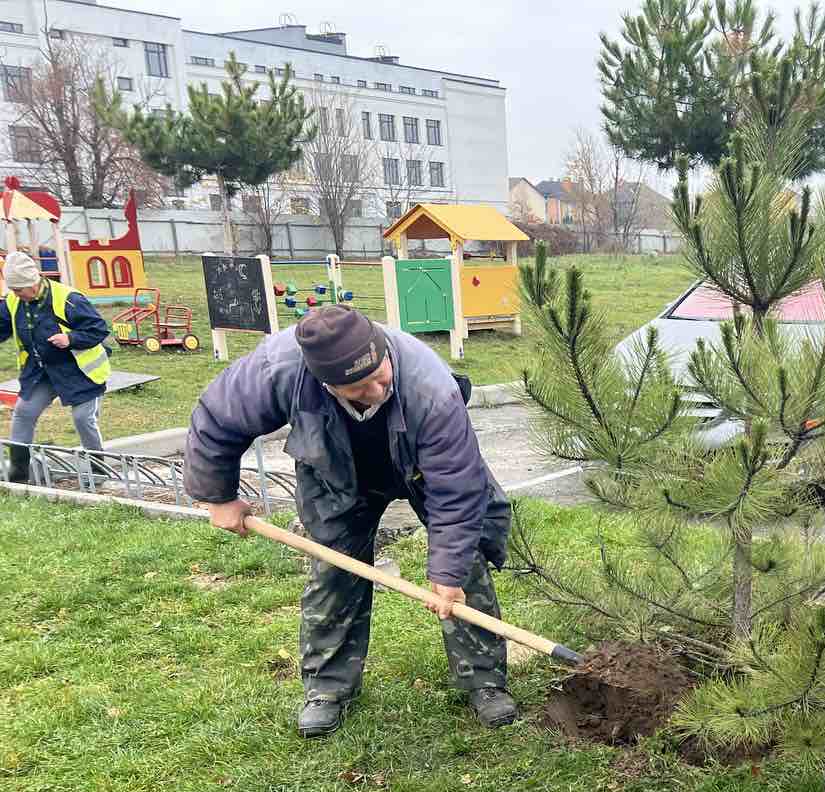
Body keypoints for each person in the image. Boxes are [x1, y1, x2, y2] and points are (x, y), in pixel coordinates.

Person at [185, 305, 517, 737]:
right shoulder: (278, 369)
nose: (380, 389)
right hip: (335, 469)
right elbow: (217, 418)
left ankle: (484, 681)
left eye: (382, 374)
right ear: (328, 386)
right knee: (335, 569)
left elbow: (456, 489)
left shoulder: (429, 386)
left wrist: (447, 572)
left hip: (422, 466)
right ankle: (327, 688)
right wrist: (219, 497)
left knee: (464, 564)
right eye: (361, 388)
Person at [1, 250, 112, 483]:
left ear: (33, 282)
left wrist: (70, 339)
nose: (16, 294)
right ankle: (18, 475)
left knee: (83, 419)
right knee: (23, 412)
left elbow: (99, 329)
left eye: (20, 289)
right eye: (13, 290)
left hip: (79, 371)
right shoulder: (13, 301)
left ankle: (98, 470)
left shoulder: (69, 299)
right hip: (41, 371)